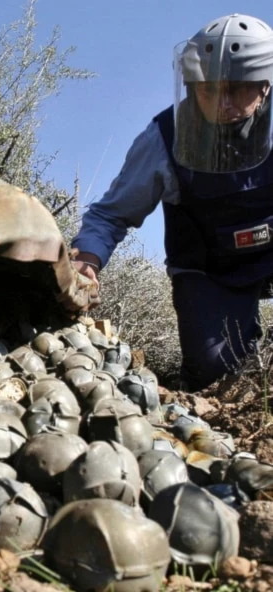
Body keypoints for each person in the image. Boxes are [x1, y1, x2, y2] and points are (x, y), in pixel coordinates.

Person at [71, 14, 273, 390]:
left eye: (236, 89)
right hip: (208, 269)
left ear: (264, 86)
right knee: (218, 375)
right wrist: (87, 259)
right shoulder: (164, 137)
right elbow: (111, 213)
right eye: (208, 90)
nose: (222, 103)